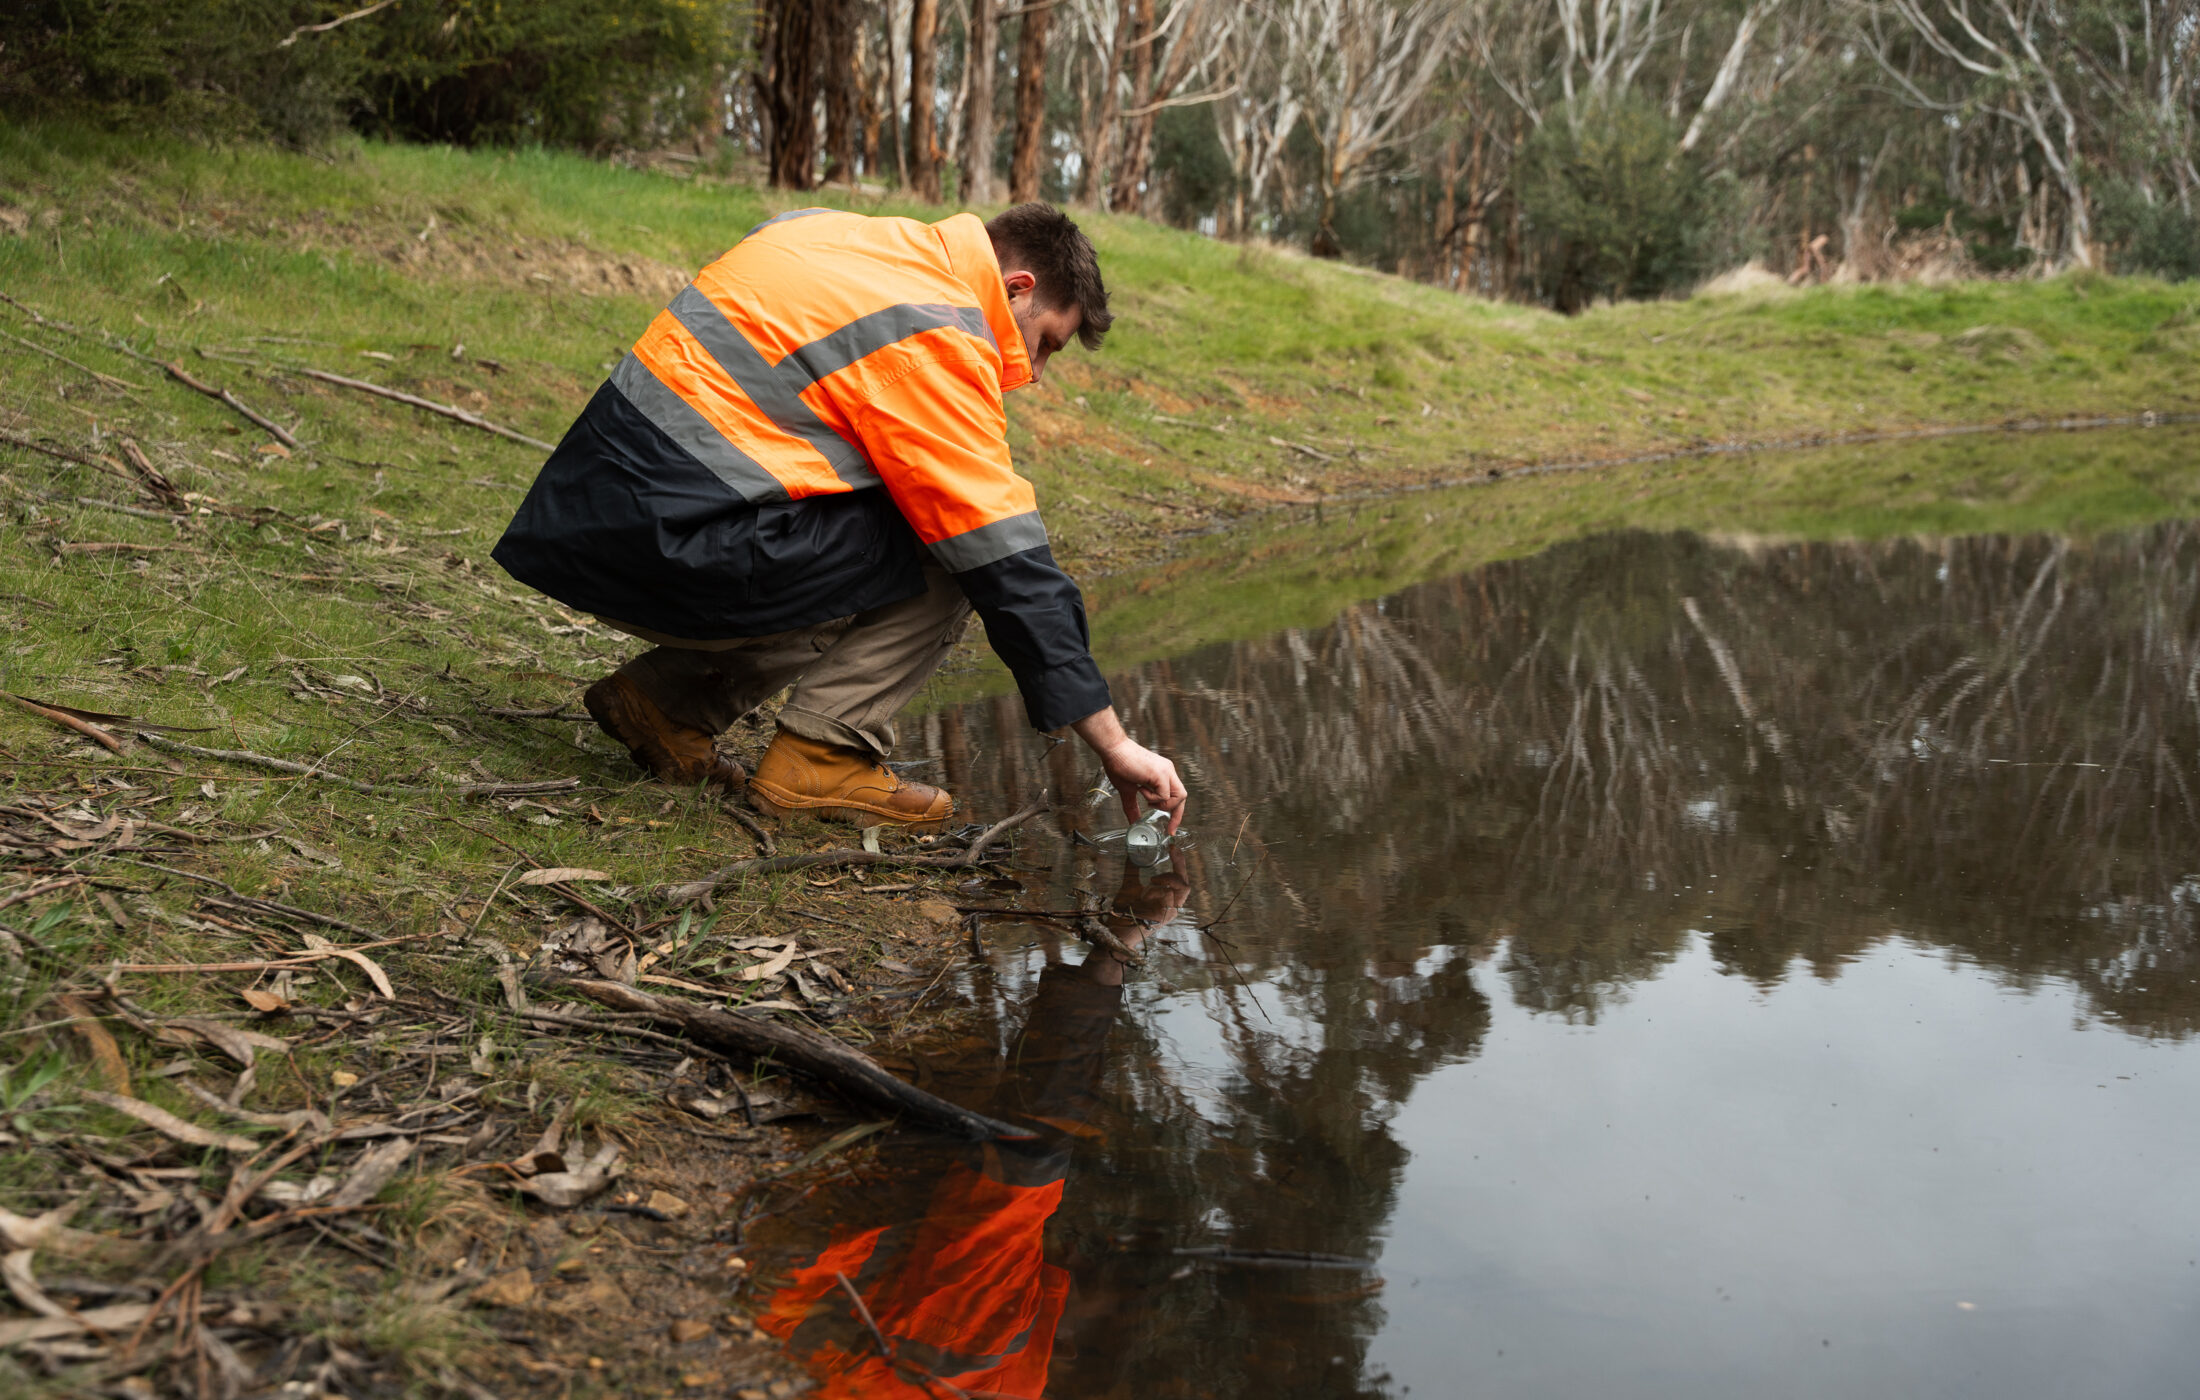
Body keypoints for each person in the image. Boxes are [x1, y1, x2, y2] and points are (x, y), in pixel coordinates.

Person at [492, 202, 1185, 835]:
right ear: (1018, 289)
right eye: (1048, 344)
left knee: (905, 507)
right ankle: (822, 757)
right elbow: (1009, 564)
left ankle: (666, 706)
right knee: (955, 547)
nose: (1034, 372)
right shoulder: (938, 330)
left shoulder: (834, 232)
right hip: (673, 546)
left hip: (589, 516)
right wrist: (1116, 746)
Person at [758, 868, 1188, 1397]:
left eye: (1108, 1308)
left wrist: (1115, 950)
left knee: (1026, 1158)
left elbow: (1035, 1141)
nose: (1090, 1265)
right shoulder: (996, 1364)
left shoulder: (973, 1345)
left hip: (854, 1244)